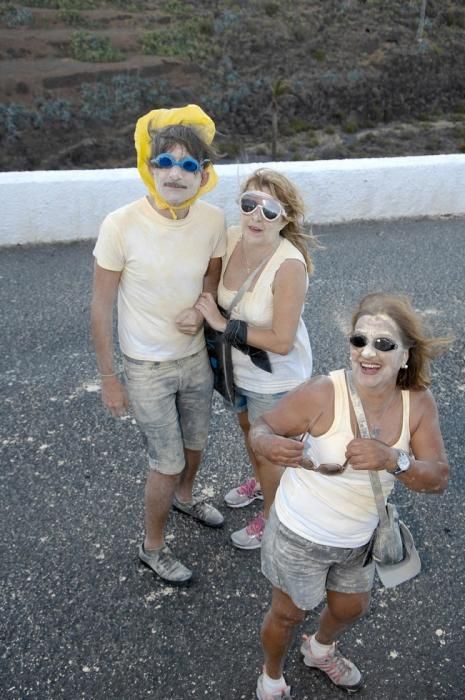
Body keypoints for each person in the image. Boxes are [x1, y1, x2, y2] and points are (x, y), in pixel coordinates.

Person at [248, 291, 451, 699]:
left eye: (383, 343)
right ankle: (271, 676)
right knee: (287, 613)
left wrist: (396, 460)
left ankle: (319, 649)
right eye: (359, 340)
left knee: (350, 608)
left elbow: (439, 477)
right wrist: (266, 445)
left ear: (406, 356)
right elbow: (263, 427)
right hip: (300, 533)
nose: (368, 352)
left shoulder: (419, 404)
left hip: (358, 540)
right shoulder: (324, 392)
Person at [90, 104, 227, 585]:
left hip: (194, 361)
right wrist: (110, 378)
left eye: (189, 164)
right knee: (165, 463)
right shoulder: (120, 224)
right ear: (148, 167)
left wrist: (201, 306)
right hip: (146, 366)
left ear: (203, 174)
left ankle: (187, 499)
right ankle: (153, 546)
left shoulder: (212, 220)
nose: (175, 173)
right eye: (164, 162)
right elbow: (100, 306)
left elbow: (212, 275)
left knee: (195, 446)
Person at [195, 168, 316, 550]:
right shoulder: (231, 239)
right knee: (249, 433)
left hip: (276, 379)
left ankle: (273, 517)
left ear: (286, 217)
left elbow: (281, 341)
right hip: (237, 372)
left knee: (271, 452)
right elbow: (209, 280)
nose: (256, 216)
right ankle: (262, 485)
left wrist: (220, 323)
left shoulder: (289, 266)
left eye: (269, 209)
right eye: (249, 204)